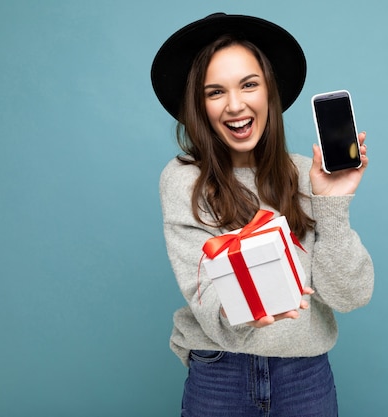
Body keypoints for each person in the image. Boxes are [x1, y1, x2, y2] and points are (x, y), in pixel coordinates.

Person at [150, 12, 374, 417]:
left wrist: (332, 205)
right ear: (198, 105)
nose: (235, 105)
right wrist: (247, 308)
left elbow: (350, 296)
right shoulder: (184, 180)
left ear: (270, 91)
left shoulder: (308, 176)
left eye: (249, 85)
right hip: (221, 373)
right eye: (214, 92)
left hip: (304, 375)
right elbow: (207, 297)